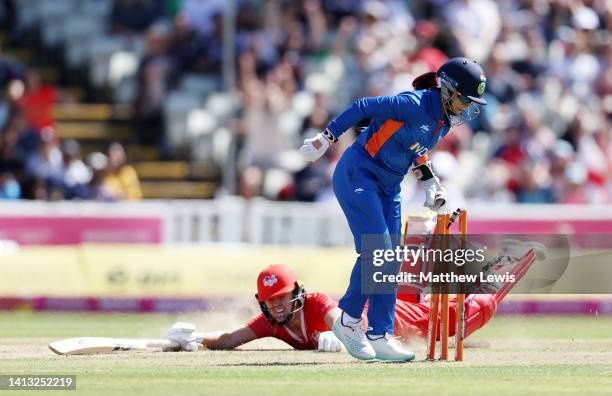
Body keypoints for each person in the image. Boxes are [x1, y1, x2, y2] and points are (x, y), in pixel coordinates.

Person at [298, 57, 488, 361]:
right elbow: (362, 107)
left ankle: (379, 334)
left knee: (391, 258)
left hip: (389, 184)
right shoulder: (413, 103)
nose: (467, 106)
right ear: (448, 89)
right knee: (377, 251)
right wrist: (326, 138)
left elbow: (414, 148)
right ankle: (347, 319)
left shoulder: (444, 120)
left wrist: (430, 182)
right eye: (465, 98)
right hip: (359, 171)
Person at [163, 241, 543, 355]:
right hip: (395, 307)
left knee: (478, 308)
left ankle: (513, 263)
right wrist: (195, 339)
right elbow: (231, 340)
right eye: (271, 301)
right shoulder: (273, 324)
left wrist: (343, 335)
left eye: (282, 298)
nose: (277, 306)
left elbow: (345, 322)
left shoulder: (315, 303)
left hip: (407, 320)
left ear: (296, 293)